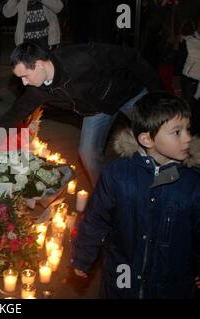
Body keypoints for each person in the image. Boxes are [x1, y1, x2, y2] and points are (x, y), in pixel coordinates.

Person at [0, 42, 161, 186]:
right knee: (87, 152)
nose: (23, 83)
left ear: (40, 64)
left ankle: (170, 173)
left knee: (158, 135)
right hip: (96, 110)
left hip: (128, 94)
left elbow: (131, 58)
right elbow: (10, 117)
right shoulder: (36, 89)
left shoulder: (83, 57)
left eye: (25, 76)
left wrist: (157, 94)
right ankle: (105, 196)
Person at [71, 92, 200, 298]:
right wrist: (83, 257)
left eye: (187, 129)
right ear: (147, 139)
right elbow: (97, 219)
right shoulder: (118, 174)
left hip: (170, 283)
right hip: (122, 278)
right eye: (177, 132)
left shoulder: (192, 182)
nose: (187, 138)